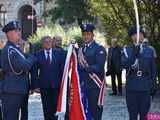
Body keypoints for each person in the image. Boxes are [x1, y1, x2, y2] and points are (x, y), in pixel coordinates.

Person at [1, 21, 35, 120]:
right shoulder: (9, 50)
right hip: (12, 90)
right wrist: (32, 55)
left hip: (20, 88)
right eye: (16, 31)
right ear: (8, 34)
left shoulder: (16, 49)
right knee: (11, 117)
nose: (19, 33)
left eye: (19, 30)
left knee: (23, 116)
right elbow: (25, 66)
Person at [121, 26, 157, 120]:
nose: (140, 36)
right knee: (132, 116)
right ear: (132, 36)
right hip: (132, 87)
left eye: (141, 34)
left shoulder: (150, 50)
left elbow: (153, 69)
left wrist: (153, 84)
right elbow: (124, 64)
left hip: (145, 86)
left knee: (144, 116)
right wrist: (134, 54)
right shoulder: (127, 50)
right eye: (137, 34)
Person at [31, 36, 65, 120]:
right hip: (44, 86)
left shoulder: (58, 53)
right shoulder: (38, 54)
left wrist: (63, 84)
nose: (48, 43)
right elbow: (34, 72)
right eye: (46, 42)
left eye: (49, 41)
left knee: (55, 107)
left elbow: (62, 70)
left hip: (56, 85)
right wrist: (35, 86)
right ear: (42, 44)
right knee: (46, 108)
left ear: (52, 43)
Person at [78, 23, 106, 120]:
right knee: (84, 113)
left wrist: (86, 68)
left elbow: (99, 66)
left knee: (95, 114)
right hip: (83, 86)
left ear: (92, 35)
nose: (86, 36)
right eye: (84, 34)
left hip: (95, 86)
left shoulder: (99, 48)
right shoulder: (80, 50)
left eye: (88, 34)